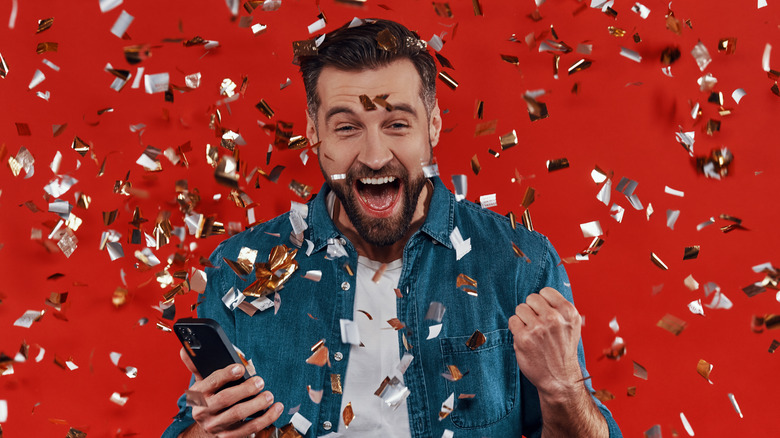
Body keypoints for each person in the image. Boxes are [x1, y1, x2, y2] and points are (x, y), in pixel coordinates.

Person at [162, 18, 621, 438]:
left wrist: (565, 391)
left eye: (397, 123)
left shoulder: (521, 263)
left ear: (434, 125)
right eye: (347, 128)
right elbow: (191, 426)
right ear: (314, 133)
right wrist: (210, 428)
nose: (376, 155)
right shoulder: (242, 269)